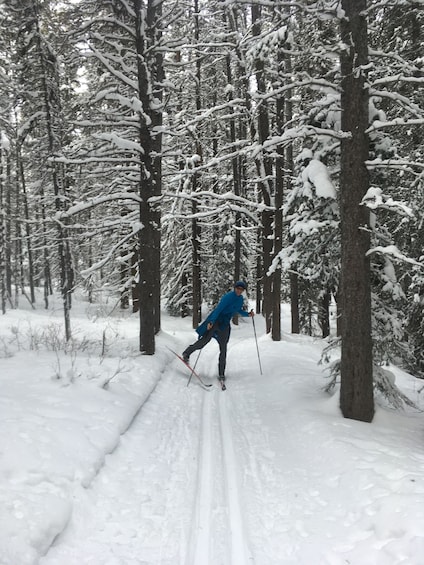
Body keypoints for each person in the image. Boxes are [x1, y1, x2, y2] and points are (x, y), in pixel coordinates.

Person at [182, 281, 254, 382]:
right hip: (216, 321)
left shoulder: (240, 299)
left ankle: (221, 373)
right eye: (238, 288)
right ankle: (186, 353)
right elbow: (218, 309)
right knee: (203, 342)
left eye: (241, 289)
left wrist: (248, 314)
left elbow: (237, 310)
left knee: (223, 349)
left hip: (224, 324)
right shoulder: (228, 297)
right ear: (234, 288)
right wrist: (211, 321)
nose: (239, 291)